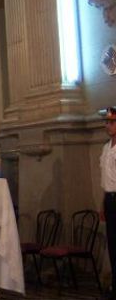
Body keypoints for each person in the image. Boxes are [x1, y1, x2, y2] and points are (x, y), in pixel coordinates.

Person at [100, 107, 116, 299]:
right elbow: (105, 180)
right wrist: (102, 203)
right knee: (112, 243)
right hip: (110, 199)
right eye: (107, 122)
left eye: (111, 122)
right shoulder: (105, 148)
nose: (108, 126)